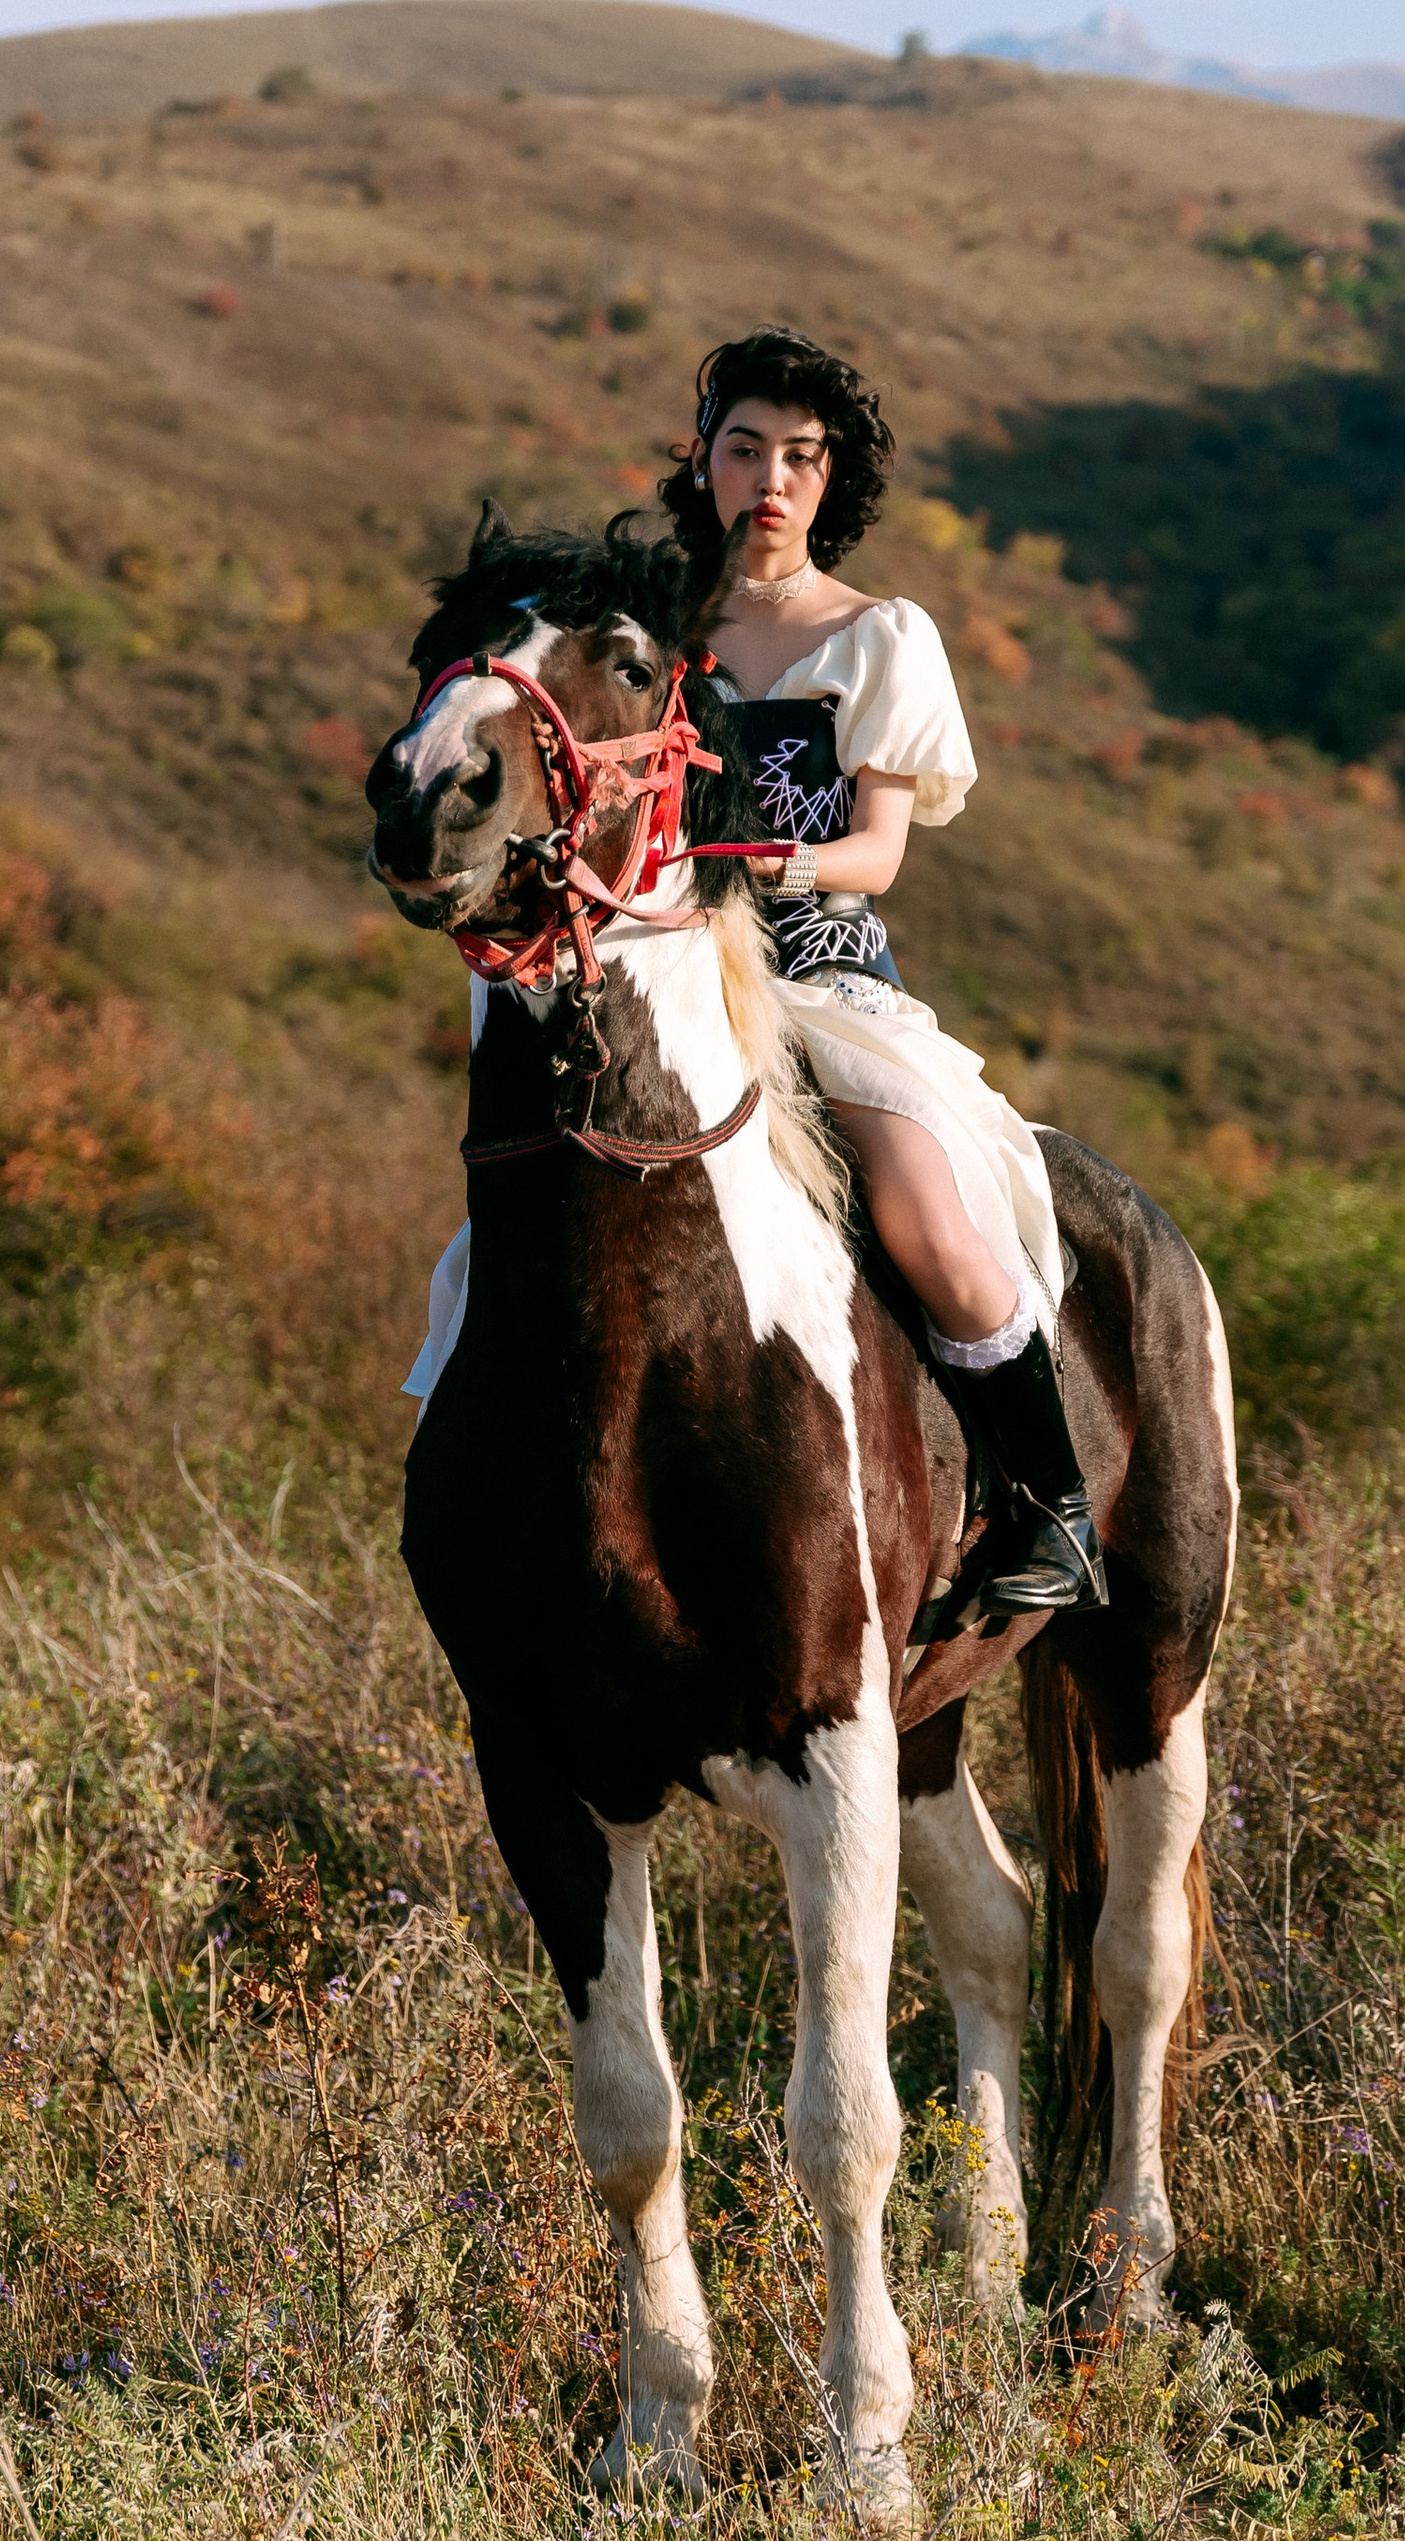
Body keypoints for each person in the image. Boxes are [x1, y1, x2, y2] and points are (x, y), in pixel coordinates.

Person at [405, 321, 1103, 1633]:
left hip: (813, 966)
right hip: (654, 969)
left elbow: (881, 855)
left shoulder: (881, 635)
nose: (770, 479)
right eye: (745, 450)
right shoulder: (642, 633)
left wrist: (767, 859)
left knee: (922, 1208)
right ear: (706, 463)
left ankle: (1049, 1505)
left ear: (832, 479)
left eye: (800, 455)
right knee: (502, 1223)